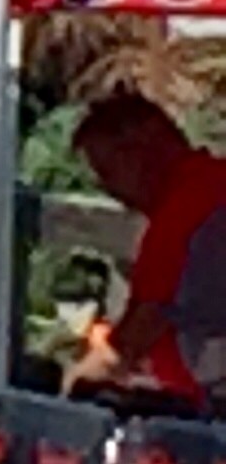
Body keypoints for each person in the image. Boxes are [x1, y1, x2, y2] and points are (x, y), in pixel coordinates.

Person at [63, 92, 226, 408]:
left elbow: (131, 341)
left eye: (108, 172)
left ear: (138, 154)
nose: (109, 190)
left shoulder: (183, 214)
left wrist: (70, 388)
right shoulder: (212, 184)